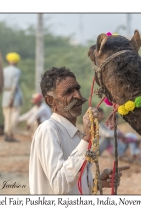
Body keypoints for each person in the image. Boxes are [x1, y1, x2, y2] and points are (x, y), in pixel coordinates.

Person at [29, 66, 129, 194]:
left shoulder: (77, 136)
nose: (78, 96)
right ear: (51, 101)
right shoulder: (48, 130)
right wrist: (87, 138)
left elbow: (73, 187)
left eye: (77, 89)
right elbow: (60, 186)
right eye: (68, 92)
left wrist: (97, 183)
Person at [2, 52, 23, 142]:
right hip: (14, 95)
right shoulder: (17, 71)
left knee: (7, 116)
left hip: (5, 93)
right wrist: (12, 97)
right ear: (16, 62)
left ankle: (7, 134)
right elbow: (14, 85)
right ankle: (10, 134)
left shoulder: (4, 70)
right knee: (14, 116)